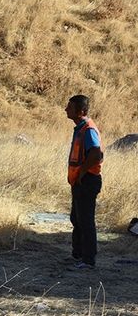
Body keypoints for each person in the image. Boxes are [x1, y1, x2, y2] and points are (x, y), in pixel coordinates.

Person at [65, 95, 103, 269]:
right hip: (80, 180)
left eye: (70, 107)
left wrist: (81, 173)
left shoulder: (88, 129)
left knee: (85, 221)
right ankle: (78, 255)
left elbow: (96, 154)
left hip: (87, 180)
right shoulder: (81, 128)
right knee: (77, 218)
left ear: (81, 111)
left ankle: (88, 261)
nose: (66, 109)